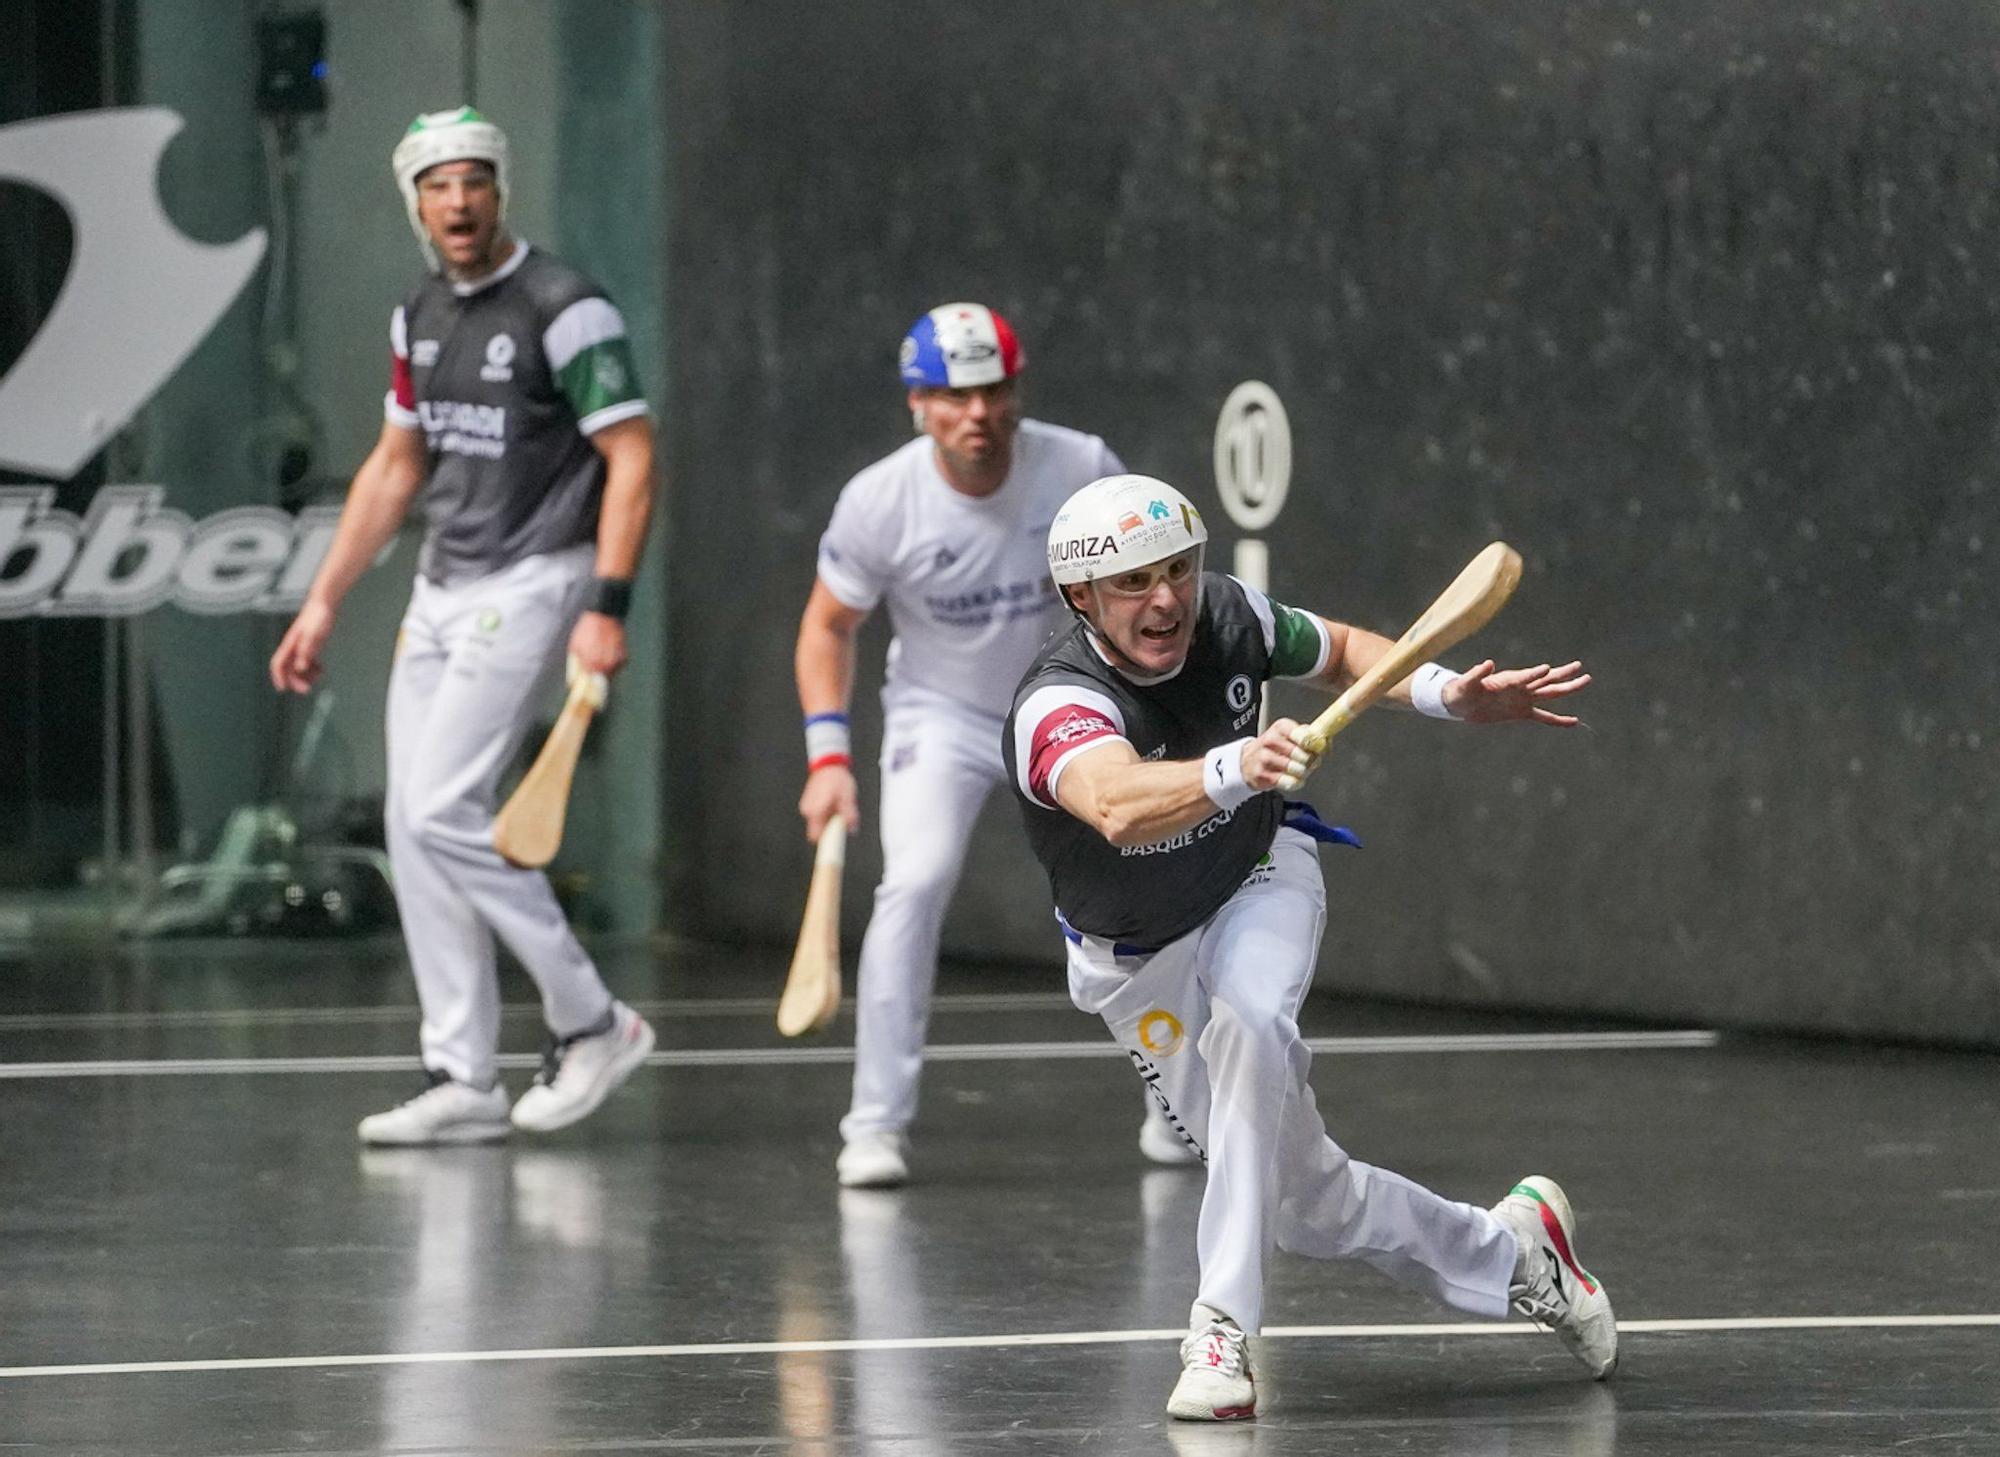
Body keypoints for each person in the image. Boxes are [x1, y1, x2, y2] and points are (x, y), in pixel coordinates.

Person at [1002, 473, 1613, 1421]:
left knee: (1249, 1021)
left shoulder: (1233, 614)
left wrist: (1450, 693)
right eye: (1130, 582)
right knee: (1306, 1202)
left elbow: (1349, 655)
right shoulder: (1057, 704)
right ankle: (1517, 1250)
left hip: (1259, 875)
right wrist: (1234, 763)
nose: (1164, 599)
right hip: (1134, 958)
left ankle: (1222, 1329)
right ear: (1080, 597)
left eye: (1177, 570)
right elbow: (1115, 802)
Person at [269, 108, 658, 1145]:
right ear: (415, 202)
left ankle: (591, 1019)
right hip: (441, 586)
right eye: (438, 185)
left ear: (500, 191)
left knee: (444, 808)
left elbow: (630, 455)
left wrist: (607, 606)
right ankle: (463, 1071)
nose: (458, 200)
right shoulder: (418, 315)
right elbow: (396, 467)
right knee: (413, 822)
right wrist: (323, 598)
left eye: (474, 181)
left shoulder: (565, 307)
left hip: (537, 576)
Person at [795, 302, 1196, 1188]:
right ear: (918, 404)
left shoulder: (1081, 467)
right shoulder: (880, 501)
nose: (976, 412)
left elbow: (1151, 586)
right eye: (951, 395)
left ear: (1015, 391)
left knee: (1147, 889)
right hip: (944, 717)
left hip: (1075, 712)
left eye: (993, 390)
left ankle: (1179, 1106)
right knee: (916, 877)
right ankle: (874, 1124)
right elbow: (828, 626)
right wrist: (828, 756)